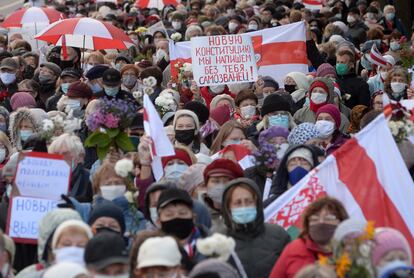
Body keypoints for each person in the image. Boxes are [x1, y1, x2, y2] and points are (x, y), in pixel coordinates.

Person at [222, 177, 290, 277]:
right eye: (238, 203)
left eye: (249, 201)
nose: (244, 206)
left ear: (257, 204)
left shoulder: (278, 235)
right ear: (228, 207)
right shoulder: (217, 239)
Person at [270, 197, 349, 278]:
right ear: (307, 224)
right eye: (315, 218)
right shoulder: (294, 249)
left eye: (329, 218)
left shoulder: (352, 252)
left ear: (341, 222)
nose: (321, 222)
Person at [156, 188, 209, 263]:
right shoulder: (150, 251)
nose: (176, 217)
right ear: (158, 221)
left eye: (182, 213)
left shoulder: (215, 246)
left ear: (193, 218)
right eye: (169, 215)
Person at [203, 158, 244, 233]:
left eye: (227, 181)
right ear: (206, 185)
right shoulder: (198, 214)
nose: (221, 186)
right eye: (216, 181)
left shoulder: (245, 216)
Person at [48, 134, 93, 202]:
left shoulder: (90, 179)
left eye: (65, 154)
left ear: (80, 157)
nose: (60, 158)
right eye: (55, 154)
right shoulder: (45, 180)